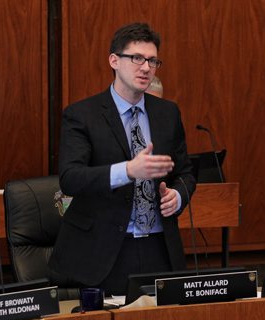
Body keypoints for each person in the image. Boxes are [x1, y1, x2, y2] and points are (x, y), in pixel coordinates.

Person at [48, 22, 196, 295]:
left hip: (160, 247)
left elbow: (186, 172)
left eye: (152, 60)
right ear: (114, 60)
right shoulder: (82, 115)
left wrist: (177, 196)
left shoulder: (168, 113)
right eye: (137, 58)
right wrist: (128, 170)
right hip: (105, 250)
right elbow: (71, 178)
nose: (145, 67)